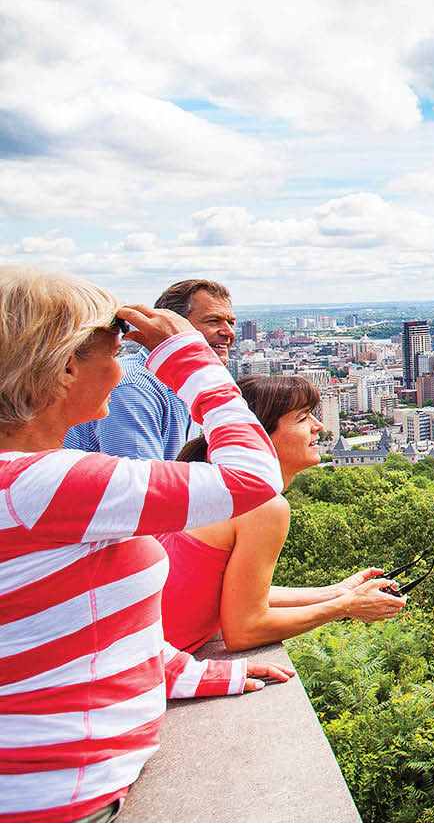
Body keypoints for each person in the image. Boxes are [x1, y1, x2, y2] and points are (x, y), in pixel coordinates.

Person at [0, 267, 292, 823]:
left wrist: (190, 673)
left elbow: (78, 628)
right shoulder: (41, 486)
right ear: (63, 368)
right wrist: (189, 359)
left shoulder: (24, 488)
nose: (125, 368)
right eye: (113, 351)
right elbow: (254, 480)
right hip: (57, 803)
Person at [160, 376, 405, 653]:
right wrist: (345, 607)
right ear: (260, 436)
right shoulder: (262, 504)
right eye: (303, 418)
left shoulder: (219, 487)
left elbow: (235, 595)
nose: (318, 427)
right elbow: (244, 629)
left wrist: (336, 592)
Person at [63, 278, 238, 462]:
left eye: (231, 323)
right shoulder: (135, 388)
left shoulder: (186, 385)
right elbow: (139, 486)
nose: (228, 332)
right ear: (172, 325)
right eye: (213, 321)